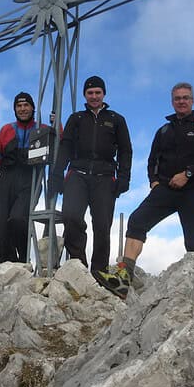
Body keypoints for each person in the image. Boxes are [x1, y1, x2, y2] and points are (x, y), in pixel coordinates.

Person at [94, 82, 194, 299]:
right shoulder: (164, 131)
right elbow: (152, 160)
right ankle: (124, 278)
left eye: (185, 98)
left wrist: (188, 174)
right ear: (172, 102)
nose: (181, 101)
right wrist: (154, 182)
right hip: (166, 189)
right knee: (137, 221)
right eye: (177, 98)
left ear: (192, 101)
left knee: (193, 243)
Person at [49, 75, 132, 274]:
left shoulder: (116, 119)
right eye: (90, 93)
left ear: (104, 94)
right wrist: (57, 175)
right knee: (70, 216)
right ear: (85, 95)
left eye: (97, 92)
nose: (94, 96)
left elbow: (126, 150)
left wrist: (124, 177)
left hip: (105, 177)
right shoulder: (76, 118)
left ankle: (99, 271)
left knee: (102, 225)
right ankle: (78, 266)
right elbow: (66, 147)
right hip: (77, 173)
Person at [0, 92, 47, 264]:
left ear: (32, 108)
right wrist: (8, 169)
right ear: (15, 109)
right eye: (19, 106)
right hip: (7, 176)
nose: (22, 109)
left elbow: (57, 142)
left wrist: (54, 122)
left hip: (30, 177)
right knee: (3, 221)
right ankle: (5, 258)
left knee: (18, 218)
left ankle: (22, 257)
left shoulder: (41, 129)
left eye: (26, 105)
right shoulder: (7, 129)